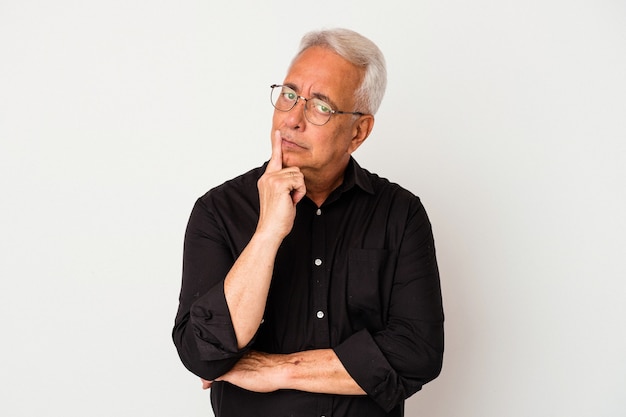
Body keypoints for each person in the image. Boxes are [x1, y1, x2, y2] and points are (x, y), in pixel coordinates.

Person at [172, 28, 444, 417]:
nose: (293, 119)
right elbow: (202, 353)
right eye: (289, 95)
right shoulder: (218, 211)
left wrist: (276, 370)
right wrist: (267, 233)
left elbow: (418, 353)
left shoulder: (400, 214)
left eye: (320, 106)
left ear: (359, 131)